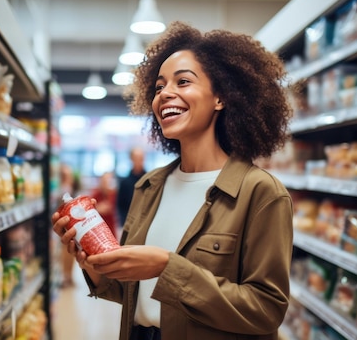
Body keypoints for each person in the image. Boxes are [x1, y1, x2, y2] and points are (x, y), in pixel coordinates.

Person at [52, 21, 294, 340]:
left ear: (220, 97)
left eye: (183, 82)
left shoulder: (261, 193)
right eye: (159, 87)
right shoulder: (149, 186)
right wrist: (95, 265)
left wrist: (167, 268)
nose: (166, 94)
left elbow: (266, 310)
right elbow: (128, 292)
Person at [59, 163, 80, 287]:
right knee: (65, 251)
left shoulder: (73, 189)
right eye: (65, 175)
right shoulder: (62, 188)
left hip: (72, 226)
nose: (68, 177)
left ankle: (69, 275)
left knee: (71, 252)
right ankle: (65, 275)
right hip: (62, 225)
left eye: (69, 175)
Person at [116, 147, 146, 227]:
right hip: (129, 223)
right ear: (131, 159)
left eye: (141, 158)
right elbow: (120, 206)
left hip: (146, 223)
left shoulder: (151, 180)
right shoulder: (125, 182)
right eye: (136, 158)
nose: (139, 161)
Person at [90, 171, 118, 237]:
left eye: (108, 180)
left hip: (111, 227)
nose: (106, 183)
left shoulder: (113, 194)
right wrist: (98, 209)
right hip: (99, 229)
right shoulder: (95, 195)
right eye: (104, 181)